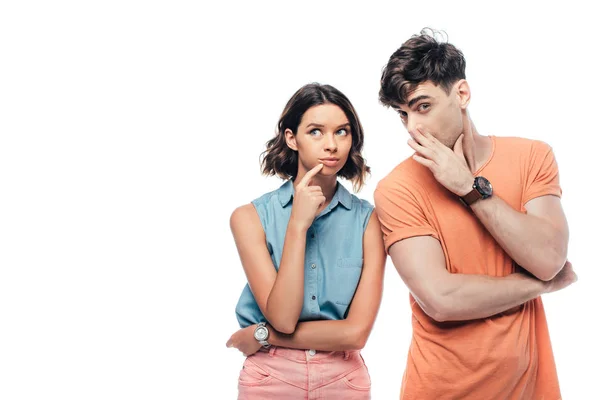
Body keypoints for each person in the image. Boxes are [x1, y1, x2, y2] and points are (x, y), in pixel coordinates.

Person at [374, 29, 577, 399]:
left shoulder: (532, 156)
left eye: (423, 106)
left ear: (461, 94)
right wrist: (541, 287)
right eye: (403, 115)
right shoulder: (397, 189)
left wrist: (470, 188)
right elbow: (441, 299)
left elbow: (548, 257)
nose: (414, 128)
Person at [226, 83, 386, 399]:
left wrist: (260, 334)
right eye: (316, 131)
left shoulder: (370, 222)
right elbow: (283, 318)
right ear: (291, 138)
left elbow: (355, 334)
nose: (331, 145)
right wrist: (298, 226)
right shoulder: (249, 218)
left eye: (342, 132)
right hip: (271, 377)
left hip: (342, 379)